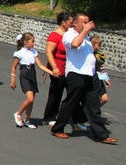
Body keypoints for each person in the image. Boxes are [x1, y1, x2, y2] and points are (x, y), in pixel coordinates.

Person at [50, 14, 118, 145]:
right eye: (84, 22)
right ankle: (57, 128)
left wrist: (100, 74)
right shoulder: (69, 35)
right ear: (75, 23)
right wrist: (86, 30)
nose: (86, 25)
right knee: (70, 103)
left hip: (89, 75)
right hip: (76, 74)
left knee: (93, 106)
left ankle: (101, 134)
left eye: (88, 22)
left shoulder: (86, 38)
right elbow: (75, 44)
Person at [10, 33, 55, 129]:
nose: (34, 43)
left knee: (32, 101)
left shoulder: (34, 52)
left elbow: (41, 65)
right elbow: (14, 67)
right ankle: (18, 114)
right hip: (24, 74)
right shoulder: (19, 53)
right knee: (29, 98)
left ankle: (27, 120)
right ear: (26, 42)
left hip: (32, 74)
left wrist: (52, 72)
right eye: (32, 41)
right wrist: (13, 80)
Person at [42, 12, 75, 126]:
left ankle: (74, 117)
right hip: (58, 66)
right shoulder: (55, 35)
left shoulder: (70, 35)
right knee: (56, 92)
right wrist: (55, 67)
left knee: (74, 91)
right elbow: (48, 51)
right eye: (71, 22)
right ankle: (50, 116)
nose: (72, 24)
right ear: (63, 23)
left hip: (69, 67)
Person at [90, 35, 110, 107]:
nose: (100, 47)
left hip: (97, 78)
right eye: (99, 45)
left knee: (105, 98)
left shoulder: (99, 55)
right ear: (93, 44)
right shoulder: (88, 54)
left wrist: (105, 79)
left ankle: (92, 112)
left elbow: (99, 69)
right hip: (89, 78)